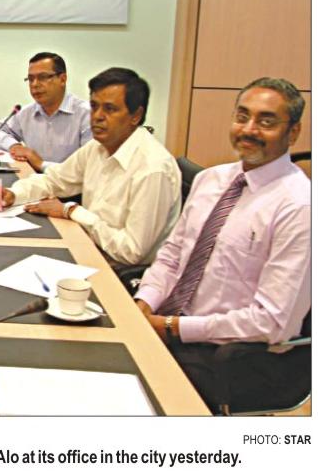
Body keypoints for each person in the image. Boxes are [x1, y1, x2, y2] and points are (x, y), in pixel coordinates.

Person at [133, 78, 310, 412]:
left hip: (223, 350)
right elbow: (172, 256)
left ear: (294, 132)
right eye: (242, 117)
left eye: (266, 121)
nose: (249, 129)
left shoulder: (299, 207)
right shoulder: (210, 179)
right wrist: (144, 303)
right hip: (168, 321)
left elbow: (272, 322)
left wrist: (174, 328)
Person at [0, 67, 180, 267]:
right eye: (94, 106)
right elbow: (54, 180)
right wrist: (13, 194)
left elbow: (131, 252)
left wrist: (72, 211)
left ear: (136, 116)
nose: (97, 116)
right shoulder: (97, 147)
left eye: (110, 109)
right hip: (87, 247)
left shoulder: (152, 168)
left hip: (119, 271)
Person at [0, 52, 91, 171]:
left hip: (69, 182)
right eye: (31, 79)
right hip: (32, 179)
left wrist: (41, 164)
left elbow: (87, 169)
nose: (35, 84)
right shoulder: (26, 113)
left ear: (62, 79)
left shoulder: (87, 115)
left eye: (42, 77)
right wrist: (14, 146)